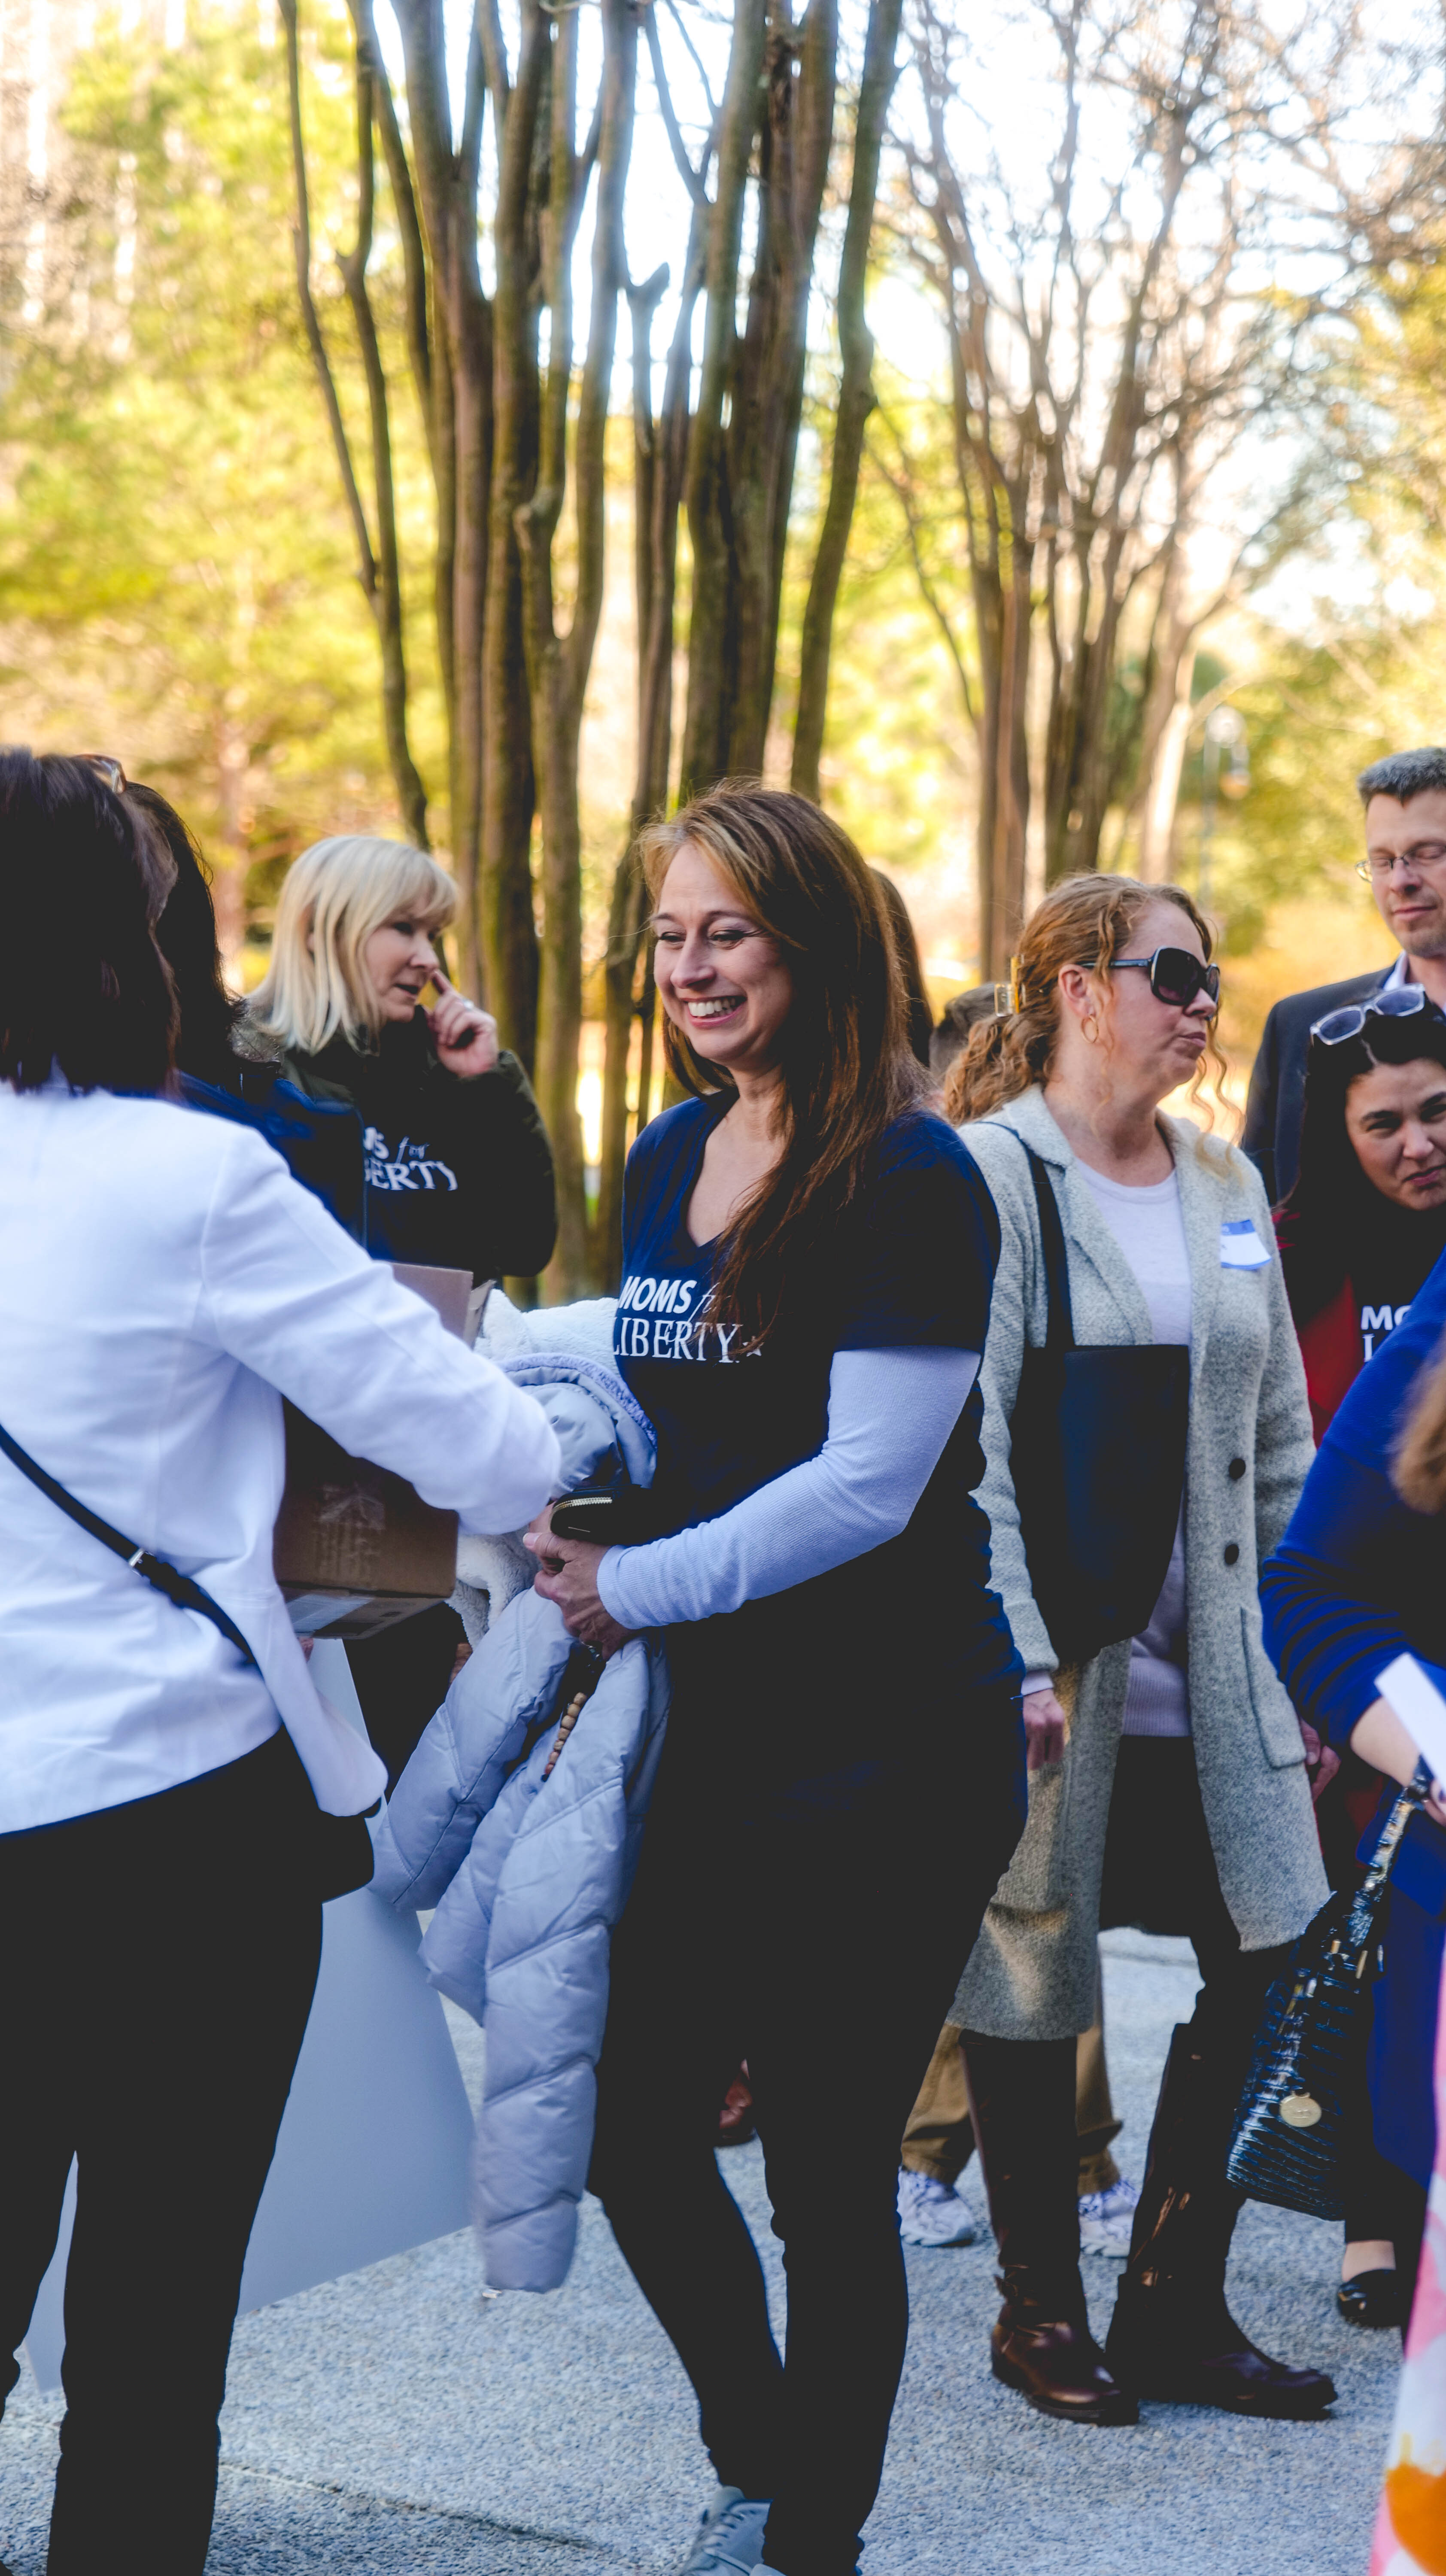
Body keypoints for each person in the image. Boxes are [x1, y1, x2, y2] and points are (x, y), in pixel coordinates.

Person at [0, 749, 561, 2576]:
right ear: (129, 948)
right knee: (149, 2348)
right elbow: (491, 1454)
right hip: (178, 1827)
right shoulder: (197, 1179)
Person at [526, 783, 1026, 2576]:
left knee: (824, 2171)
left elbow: (862, 1483)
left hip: (889, 1749)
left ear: (813, 942)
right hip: (711, 1736)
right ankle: (762, 2455)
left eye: (724, 931)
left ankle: (810, 2535)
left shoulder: (909, 1173)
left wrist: (631, 1584)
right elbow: (674, 1411)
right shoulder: (670, 1151)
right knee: (629, 2132)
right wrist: (563, 1503)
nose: (689, 967)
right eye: (666, 937)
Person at [942, 872, 1334, 2428]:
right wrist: (1018, 1654)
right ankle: (1040, 2311)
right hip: (1065, 1665)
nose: (1200, 999)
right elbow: (963, 1442)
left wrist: (1307, 1652)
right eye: (1168, 970)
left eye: (1209, 973)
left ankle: (1175, 2297)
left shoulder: (1226, 1181)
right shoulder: (991, 1174)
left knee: (1267, 1947)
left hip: (1223, 1659)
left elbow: (1283, 1440)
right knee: (1034, 1963)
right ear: (1075, 986)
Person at [241, 834, 558, 1779]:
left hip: (415, 1496)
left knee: (402, 1769)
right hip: (279, 1485)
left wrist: (491, 1089)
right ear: (327, 928)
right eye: (404, 928)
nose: (428, 957)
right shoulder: (250, 1077)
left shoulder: (439, 1074)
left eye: (436, 932)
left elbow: (520, 1242)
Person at [1273, 990, 1446, 2329]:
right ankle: (1373, 2212)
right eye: (1382, 1120)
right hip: (1397, 1705)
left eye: (1433, 1110)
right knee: (1362, 1944)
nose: (1414, 1142)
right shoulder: (1301, 1258)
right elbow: (1313, 1573)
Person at [1244, 747, 1446, 1202]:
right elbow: (1259, 1210)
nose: (1399, 881)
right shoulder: (1299, 1027)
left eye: (1426, 853)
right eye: (1381, 861)